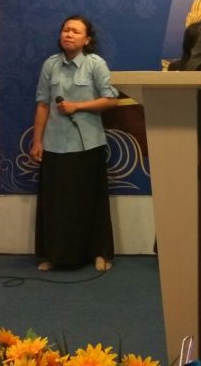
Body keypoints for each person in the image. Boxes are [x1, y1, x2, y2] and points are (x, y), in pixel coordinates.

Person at [30, 15, 120, 272]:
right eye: (66, 30)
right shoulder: (50, 65)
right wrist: (37, 141)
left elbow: (111, 99)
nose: (69, 34)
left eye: (76, 31)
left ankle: (99, 254)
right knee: (56, 204)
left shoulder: (95, 64)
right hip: (55, 144)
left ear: (87, 39)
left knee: (90, 202)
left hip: (87, 145)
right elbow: (42, 104)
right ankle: (56, 255)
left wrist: (78, 106)